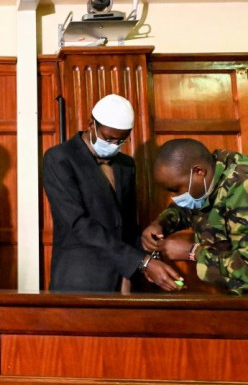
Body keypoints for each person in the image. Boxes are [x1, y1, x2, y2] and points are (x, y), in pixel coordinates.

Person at [42, 94, 182, 292]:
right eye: (108, 139)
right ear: (92, 124)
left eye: (121, 140)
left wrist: (135, 268)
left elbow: (128, 224)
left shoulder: (126, 165)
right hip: (79, 279)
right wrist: (140, 262)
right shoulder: (59, 158)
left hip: (123, 278)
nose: (114, 145)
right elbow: (77, 223)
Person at [142, 139, 248, 295]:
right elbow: (189, 209)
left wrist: (192, 252)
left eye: (177, 189)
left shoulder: (243, 187)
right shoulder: (211, 175)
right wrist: (161, 224)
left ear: (199, 171)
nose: (176, 197)